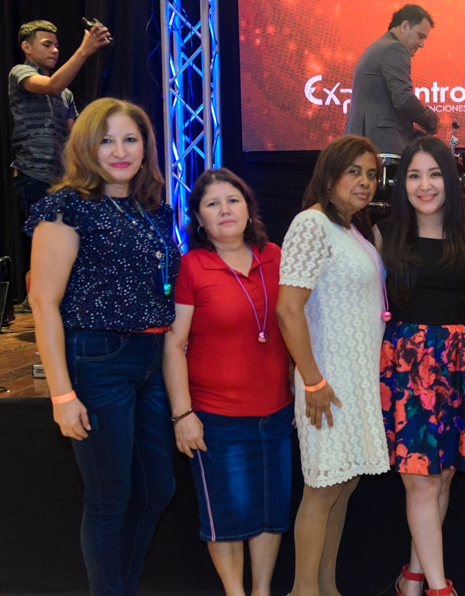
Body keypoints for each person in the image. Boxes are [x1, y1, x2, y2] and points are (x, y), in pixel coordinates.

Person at [25, 97, 178, 596]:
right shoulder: (65, 206)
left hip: (151, 361)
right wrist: (62, 394)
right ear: (86, 146)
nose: (120, 151)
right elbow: (43, 303)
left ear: (145, 147)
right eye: (106, 140)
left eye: (130, 139)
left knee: (157, 489)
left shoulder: (153, 210)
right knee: (110, 497)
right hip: (96, 361)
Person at [162, 168, 292, 596]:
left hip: (276, 412)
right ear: (199, 218)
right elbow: (173, 344)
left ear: (248, 208)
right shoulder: (191, 266)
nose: (224, 210)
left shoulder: (274, 255)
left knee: (271, 512)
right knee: (228, 517)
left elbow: (293, 323)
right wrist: (182, 413)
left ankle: (261, 591)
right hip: (216, 417)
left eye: (233, 200)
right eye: (212, 204)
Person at [373, 136, 465, 596]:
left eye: (435, 174)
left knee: (441, 479)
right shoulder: (384, 232)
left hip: (462, 364)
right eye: (414, 176)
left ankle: (413, 579)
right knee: (421, 482)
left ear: (451, 181)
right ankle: (439, 589)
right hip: (409, 366)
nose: (425, 186)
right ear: (401, 183)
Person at [276, 135, 391, 596]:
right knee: (323, 488)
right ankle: (303, 590)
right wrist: (312, 381)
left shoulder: (353, 230)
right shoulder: (312, 224)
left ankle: (328, 587)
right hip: (326, 382)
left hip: (355, 381)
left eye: (371, 174)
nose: (365, 182)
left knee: (345, 485)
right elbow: (288, 310)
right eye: (354, 172)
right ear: (329, 177)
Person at [10, 19, 111, 214]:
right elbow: (52, 86)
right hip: (34, 175)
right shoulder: (20, 72)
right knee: (45, 231)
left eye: (56, 46)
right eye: (47, 45)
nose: (54, 50)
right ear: (26, 47)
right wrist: (83, 51)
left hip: (62, 179)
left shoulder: (66, 94)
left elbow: (74, 139)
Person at [344, 4, 439, 155]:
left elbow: (379, 105)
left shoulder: (379, 46)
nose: (421, 44)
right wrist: (432, 120)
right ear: (405, 26)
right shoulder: (394, 48)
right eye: (420, 36)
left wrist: (408, 128)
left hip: (363, 144)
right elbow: (404, 99)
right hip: (378, 147)